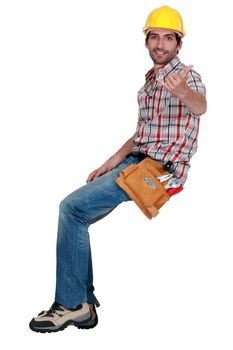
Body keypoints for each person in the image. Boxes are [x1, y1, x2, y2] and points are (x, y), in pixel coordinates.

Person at [29, 5, 207, 333]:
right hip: (137, 162)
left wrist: (183, 92)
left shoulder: (187, 76)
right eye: (155, 37)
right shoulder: (150, 83)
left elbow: (200, 105)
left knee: (72, 209)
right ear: (146, 42)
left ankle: (70, 305)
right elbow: (142, 134)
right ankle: (81, 305)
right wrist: (110, 162)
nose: (161, 44)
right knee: (77, 217)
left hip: (160, 170)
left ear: (179, 44)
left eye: (169, 38)